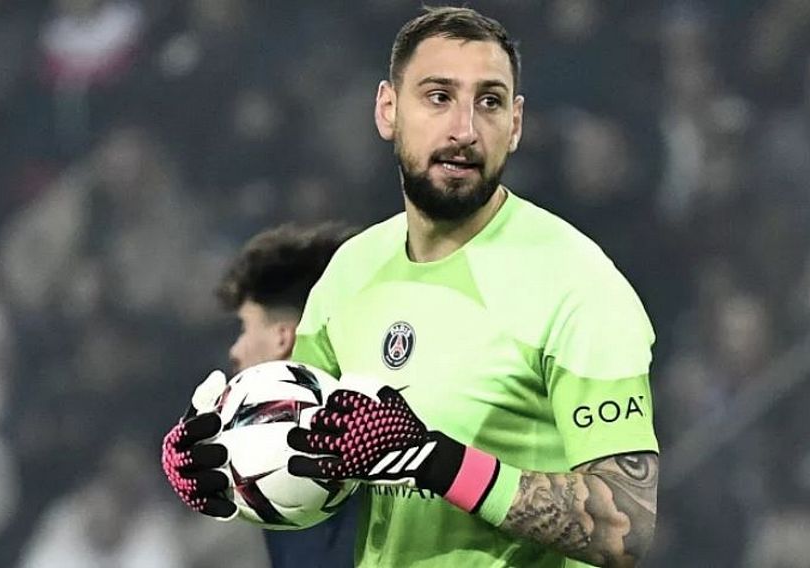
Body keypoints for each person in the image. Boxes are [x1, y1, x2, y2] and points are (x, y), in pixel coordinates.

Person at [163, 7, 659, 567]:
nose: (464, 130)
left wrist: (432, 459)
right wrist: (227, 467)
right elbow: (315, 471)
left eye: (490, 102)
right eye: (438, 97)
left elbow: (625, 528)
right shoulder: (350, 272)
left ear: (516, 125)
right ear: (388, 110)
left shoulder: (577, 282)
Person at [213, 222, 361, 568]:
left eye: (244, 327)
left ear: (283, 337)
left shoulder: (374, 450)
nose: (235, 350)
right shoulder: (269, 464)